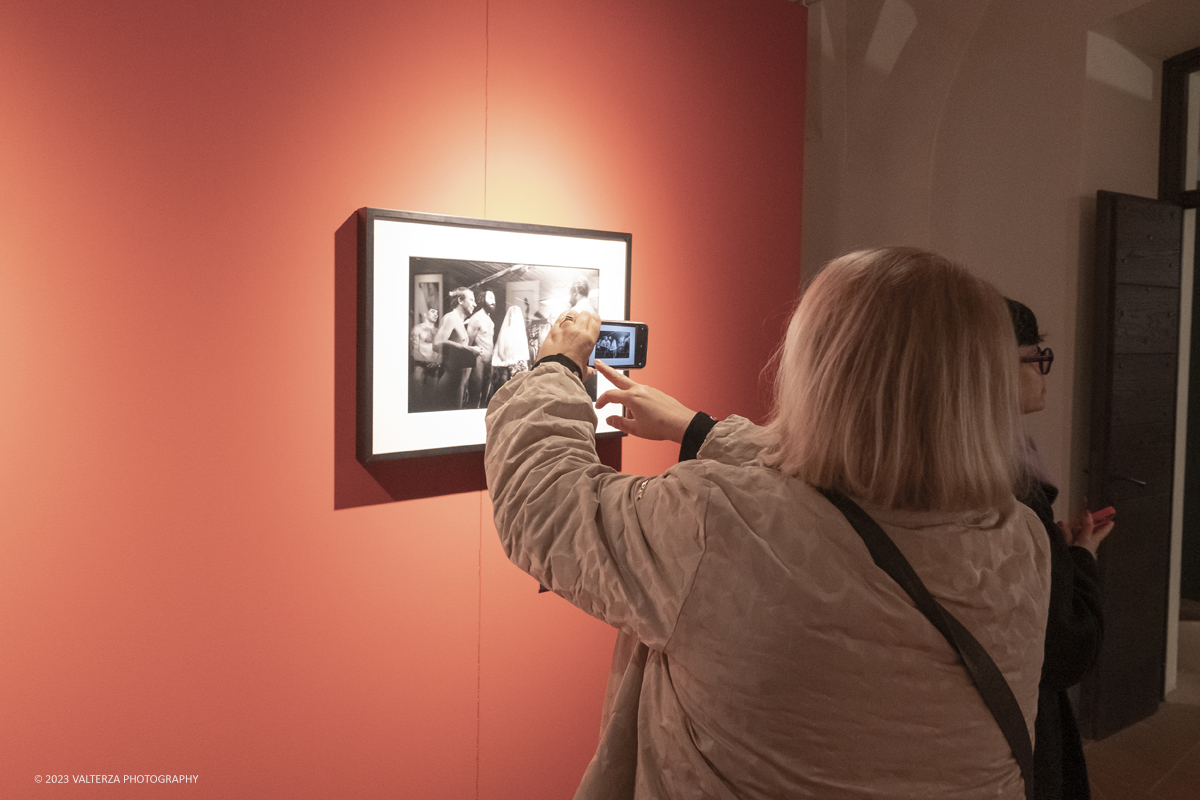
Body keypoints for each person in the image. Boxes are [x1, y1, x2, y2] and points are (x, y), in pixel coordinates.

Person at [485, 247, 1051, 799]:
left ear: (823, 372)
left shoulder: (719, 524)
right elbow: (850, 496)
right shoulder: (1023, 539)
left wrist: (555, 369)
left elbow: (545, 501)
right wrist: (698, 430)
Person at [1007, 299, 1113, 800]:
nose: (1044, 373)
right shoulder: (1014, 488)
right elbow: (1066, 647)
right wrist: (1082, 560)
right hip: (1019, 727)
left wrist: (1059, 549)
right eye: (1036, 357)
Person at [433, 287, 481, 410]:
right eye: (471, 300)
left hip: (458, 386)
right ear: (460, 300)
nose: (475, 304)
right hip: (450, 385)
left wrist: (464, 386)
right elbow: (437, 344)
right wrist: (469, 350)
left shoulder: (460, 322)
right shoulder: (450, 318)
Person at [485, 304, 531, 405]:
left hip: (518, 367)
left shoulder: (521, 335)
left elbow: (523, 354)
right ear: (510, 316)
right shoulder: (505, 332)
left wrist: (518, 366)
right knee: (504, 379)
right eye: (513, 315)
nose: (515, 318)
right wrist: (509, 364)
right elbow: (500, 352)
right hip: (505, 365)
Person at [467, 290, 497, 408]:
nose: (493, 301)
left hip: (489, 363)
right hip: (478, 361)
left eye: (494, 299)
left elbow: (490, 343)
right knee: (475, 396)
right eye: (490, 298)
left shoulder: (490, 320)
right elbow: (468, 344)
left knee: (486, 397)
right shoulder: (476, 318)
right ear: (482, 299)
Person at [409, 308, 440, 384]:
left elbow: (442, 350)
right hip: (420, 367)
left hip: (435, 369)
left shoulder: (439, 331)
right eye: (433, 312)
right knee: (418, 394)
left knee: (432, 394)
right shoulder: (418, 328)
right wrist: (428, 362)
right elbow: (414, 351)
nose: (436, 314)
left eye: (437, 313)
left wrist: (437, 362)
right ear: (425, 314)